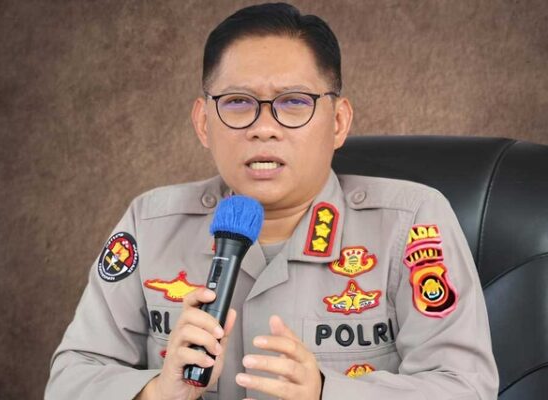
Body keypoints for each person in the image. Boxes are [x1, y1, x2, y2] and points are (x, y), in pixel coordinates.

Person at [45, 3, 499, 399]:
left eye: (294, 102)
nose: (264, 128)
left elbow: (465, 388)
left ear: (338, 122)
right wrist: (157, 392)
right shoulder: (151, 224)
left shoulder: (410, 222)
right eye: (237, 102)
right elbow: (70, 379)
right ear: (203, 123)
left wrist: (325, 392)